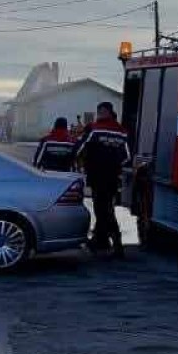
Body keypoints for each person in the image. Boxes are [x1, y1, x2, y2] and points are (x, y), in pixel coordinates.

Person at [75, 101, 131, 258]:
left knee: (103, 210)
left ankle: (115, 244)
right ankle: (101, 241)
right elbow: (127, 156)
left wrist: (80, 164)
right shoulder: (122, 131)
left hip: (97, 175)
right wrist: (114, 166)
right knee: (106, 207)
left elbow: (80, 148)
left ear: (102, 112)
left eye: (99, 112)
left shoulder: (94, 129)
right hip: (112, 177)